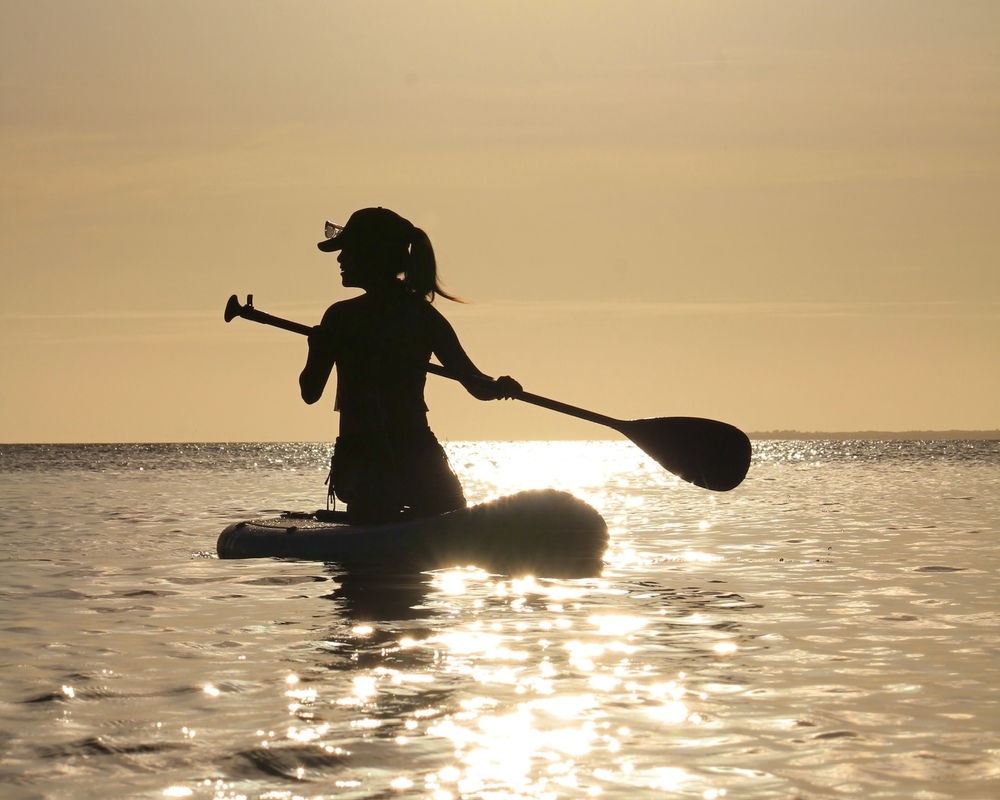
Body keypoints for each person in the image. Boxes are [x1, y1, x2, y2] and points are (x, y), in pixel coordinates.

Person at [299, 207, 521, 524]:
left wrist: (500, 387)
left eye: (348, 251)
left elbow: (309, 392)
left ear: (372, 256)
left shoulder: (342, 317)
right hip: (394, 457)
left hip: (381, 458)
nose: (340, 259)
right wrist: (318, 349)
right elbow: (477, 386)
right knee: (443, 514)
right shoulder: (418, 316)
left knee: (395, 517)